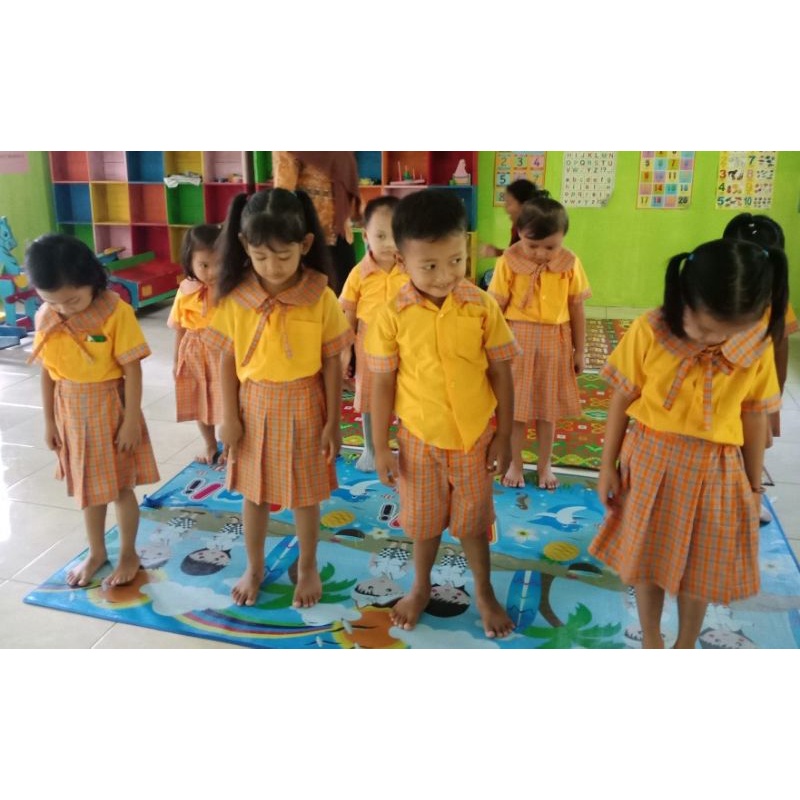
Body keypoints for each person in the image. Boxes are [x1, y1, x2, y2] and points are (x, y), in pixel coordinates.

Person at [589, 238, 788, 648]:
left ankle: (685, 643)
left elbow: (753, 416)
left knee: (699, 571)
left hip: (716, 469)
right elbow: (623, 397)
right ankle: (651, 638)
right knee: (647, 561)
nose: (715, 340)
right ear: (684, 297)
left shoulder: (757, 341)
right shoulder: (651, 329)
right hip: (650, 458)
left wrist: (754, 488)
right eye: (707, 328)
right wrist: (607, 465)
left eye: (729, 332)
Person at [365, 189, 519, 638]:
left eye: (455, 261)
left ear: (466, 248)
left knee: (473, 524)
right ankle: (419, 587)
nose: (445, 275)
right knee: (424, 523)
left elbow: (502, 372)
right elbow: (382, 383)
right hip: (419, 440)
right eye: (429, 266)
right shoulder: (391, 315)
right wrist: (380, 447)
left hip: (474, 438)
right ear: (402, 260)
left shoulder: (482, 306)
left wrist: (504, 436)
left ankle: (484, 591)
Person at [204, 188, 353, 608]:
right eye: (261, 257)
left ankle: (307, 566)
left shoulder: (320, 295)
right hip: (252, 405)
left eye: (283, 257)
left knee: (305, 497)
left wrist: (334, 422)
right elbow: (226, 359)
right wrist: (227, 416)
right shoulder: (235, 297)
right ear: (244, 246)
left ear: (305, 245)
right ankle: (254, 566)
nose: (272, 267)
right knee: (253, 495)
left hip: (306, 404)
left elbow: (331, 362)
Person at [26, 233, 160, 588]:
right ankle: (96, 552)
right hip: (69, 410)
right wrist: (48, 421)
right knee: (88, 489)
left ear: (92, 279)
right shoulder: (47, 316)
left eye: (72, 299)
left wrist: (130, 421)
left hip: (110, 407)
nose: (64, 309)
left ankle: (128, 552)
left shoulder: (116, 312)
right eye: (52, 301)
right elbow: (47, 370)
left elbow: (132, 369)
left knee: (120, 487)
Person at [487, 195, 591, 490]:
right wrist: (489, 351)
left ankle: (545, 464)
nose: (541, 254)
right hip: (516, 340)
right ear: (520, 233)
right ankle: (516, 464)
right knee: (516, 410)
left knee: (548, 410)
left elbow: (576, 308)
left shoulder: (570, 263)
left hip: (555, 341)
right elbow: (494, 309)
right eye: (532, 246)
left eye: (550, 247)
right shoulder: (508, 261)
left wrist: (579, 350)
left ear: (562, 238)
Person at [339, 195, 407, 471]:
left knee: (407, 394)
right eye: (381, 236)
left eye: (395, 235)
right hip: (368, 341)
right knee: (369, 396)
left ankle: (406, 448)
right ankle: (371, 449)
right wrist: (346, 349)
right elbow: (348, 312)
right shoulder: (358, 273)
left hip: (406, 341)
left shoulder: (412, 269)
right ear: (366, 236)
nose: (389, 243)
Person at [168, 223, 224, 464]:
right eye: (204, 265)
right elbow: (179, 328)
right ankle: (210, 444)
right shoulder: (185, 291)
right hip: (194, 353)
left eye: (218, 263)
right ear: (189, 263)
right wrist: (176, 361)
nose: (212, 272)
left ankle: (230, 447)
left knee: (227, 401)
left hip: (224, 353)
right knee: (200, 401)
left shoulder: (230, 290)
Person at [272, 151, 361, 294]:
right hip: (310, 235)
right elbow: (283, 196)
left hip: (341, 231)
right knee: (313, 295)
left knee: (346, 295)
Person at [478, 178, 541, 260]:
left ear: (524, 205)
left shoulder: (535, 232)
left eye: (509, 203)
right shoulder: (517, 228)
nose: (506, 209)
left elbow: (524, 261)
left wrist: (497, 252)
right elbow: (516, 254)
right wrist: (497, 252)